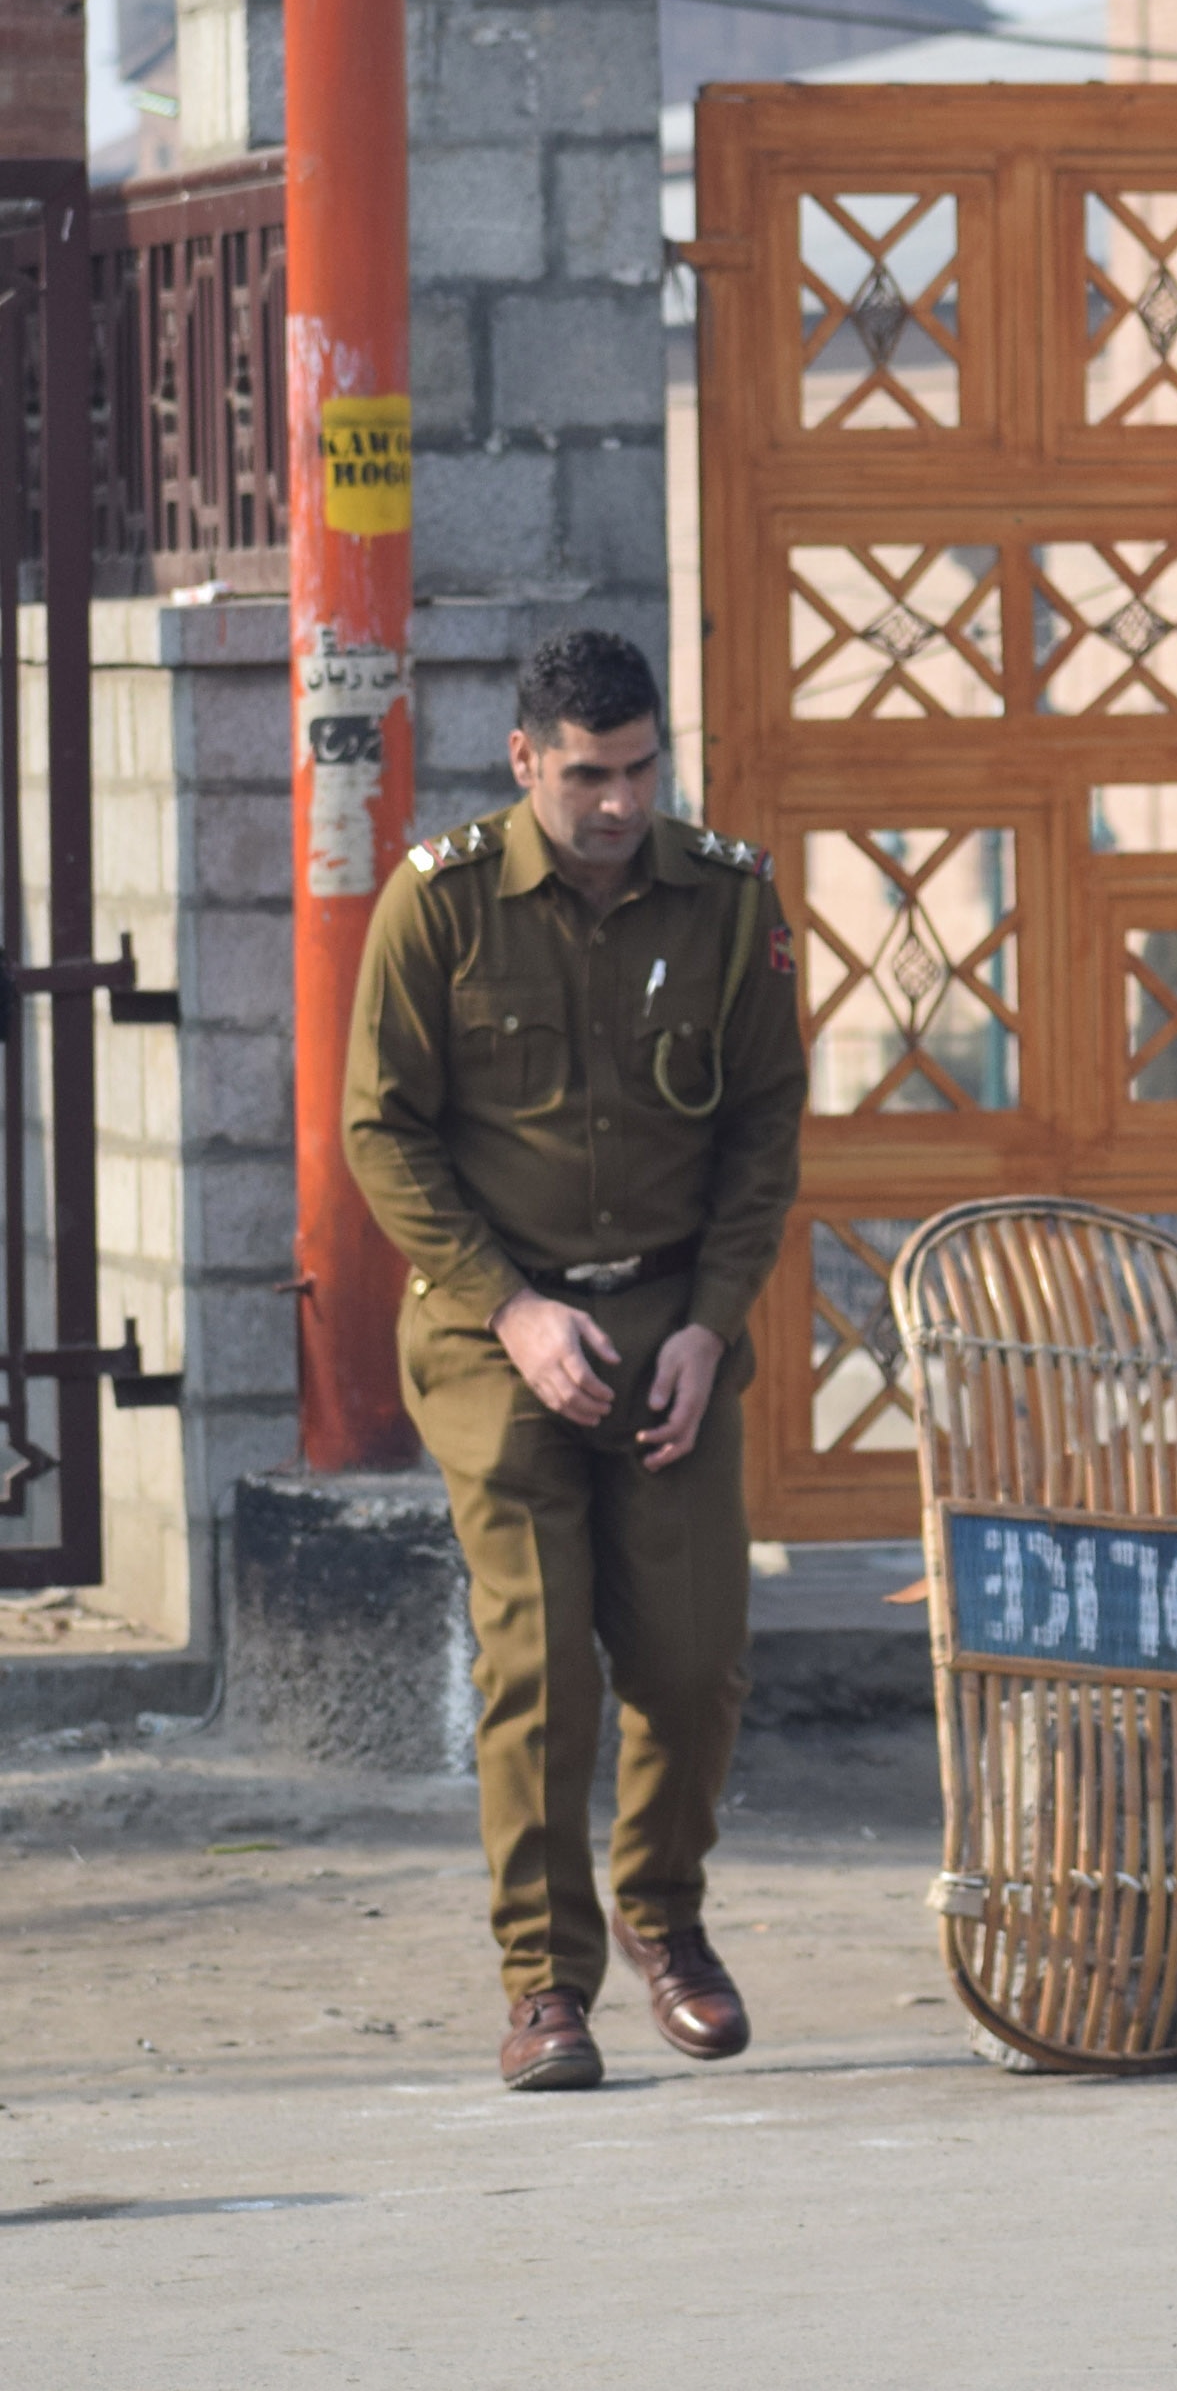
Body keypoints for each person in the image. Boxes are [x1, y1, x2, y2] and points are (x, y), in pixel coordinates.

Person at [344, 629, 807, 2087]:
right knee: (539, 1666)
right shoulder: (442, 907)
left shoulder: (729, 904)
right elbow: (383, 1129)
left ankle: (668, 1922)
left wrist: (712, 1324)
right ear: (526, 762)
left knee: (690, 1661)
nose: (619, 805)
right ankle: (547, 1986)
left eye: (642, 771)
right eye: (590, 776)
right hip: (501, 1334)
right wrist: (511, 1310)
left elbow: (763, 1134)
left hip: (669, 1322)